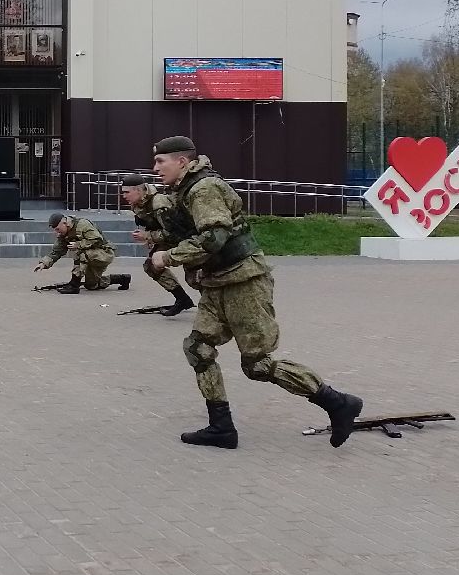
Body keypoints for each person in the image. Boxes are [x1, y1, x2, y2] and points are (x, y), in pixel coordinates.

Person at [149, 136, 364, 449]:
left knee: (258, 365)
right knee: (198, 349)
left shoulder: (203, 188)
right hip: (217, 284)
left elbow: (215, 237)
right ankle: (221, 427)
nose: (155, 168)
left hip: (243, 282)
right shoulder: (184, 191)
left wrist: (168, 257)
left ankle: (338, 403)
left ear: (181, 161)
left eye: (160, 161)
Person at [121, 173, 196, 316]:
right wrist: (149, 239)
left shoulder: (159, 204)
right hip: (168, 239)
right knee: (152, 265)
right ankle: (182, 299)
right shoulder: (138, 203)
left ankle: (217, 307)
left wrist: (148, 236)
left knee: (197, 277)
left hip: (188, 239)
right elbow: (152, 223)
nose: (124, 196)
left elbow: (175, 233)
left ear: (138, 190)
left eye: (127, 192)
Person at [36, 213, 129, 293]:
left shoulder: (83, 224)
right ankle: (122, 279)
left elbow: (98, 240)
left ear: (65, 223)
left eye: (57, 229)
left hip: (103, 253)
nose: (57, 233)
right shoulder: (63, 235)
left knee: (79, 252)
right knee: (91, 285)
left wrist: (79, 244)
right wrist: (44, 263)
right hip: (90, 256)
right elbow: (57, 251)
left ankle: (74, 285)